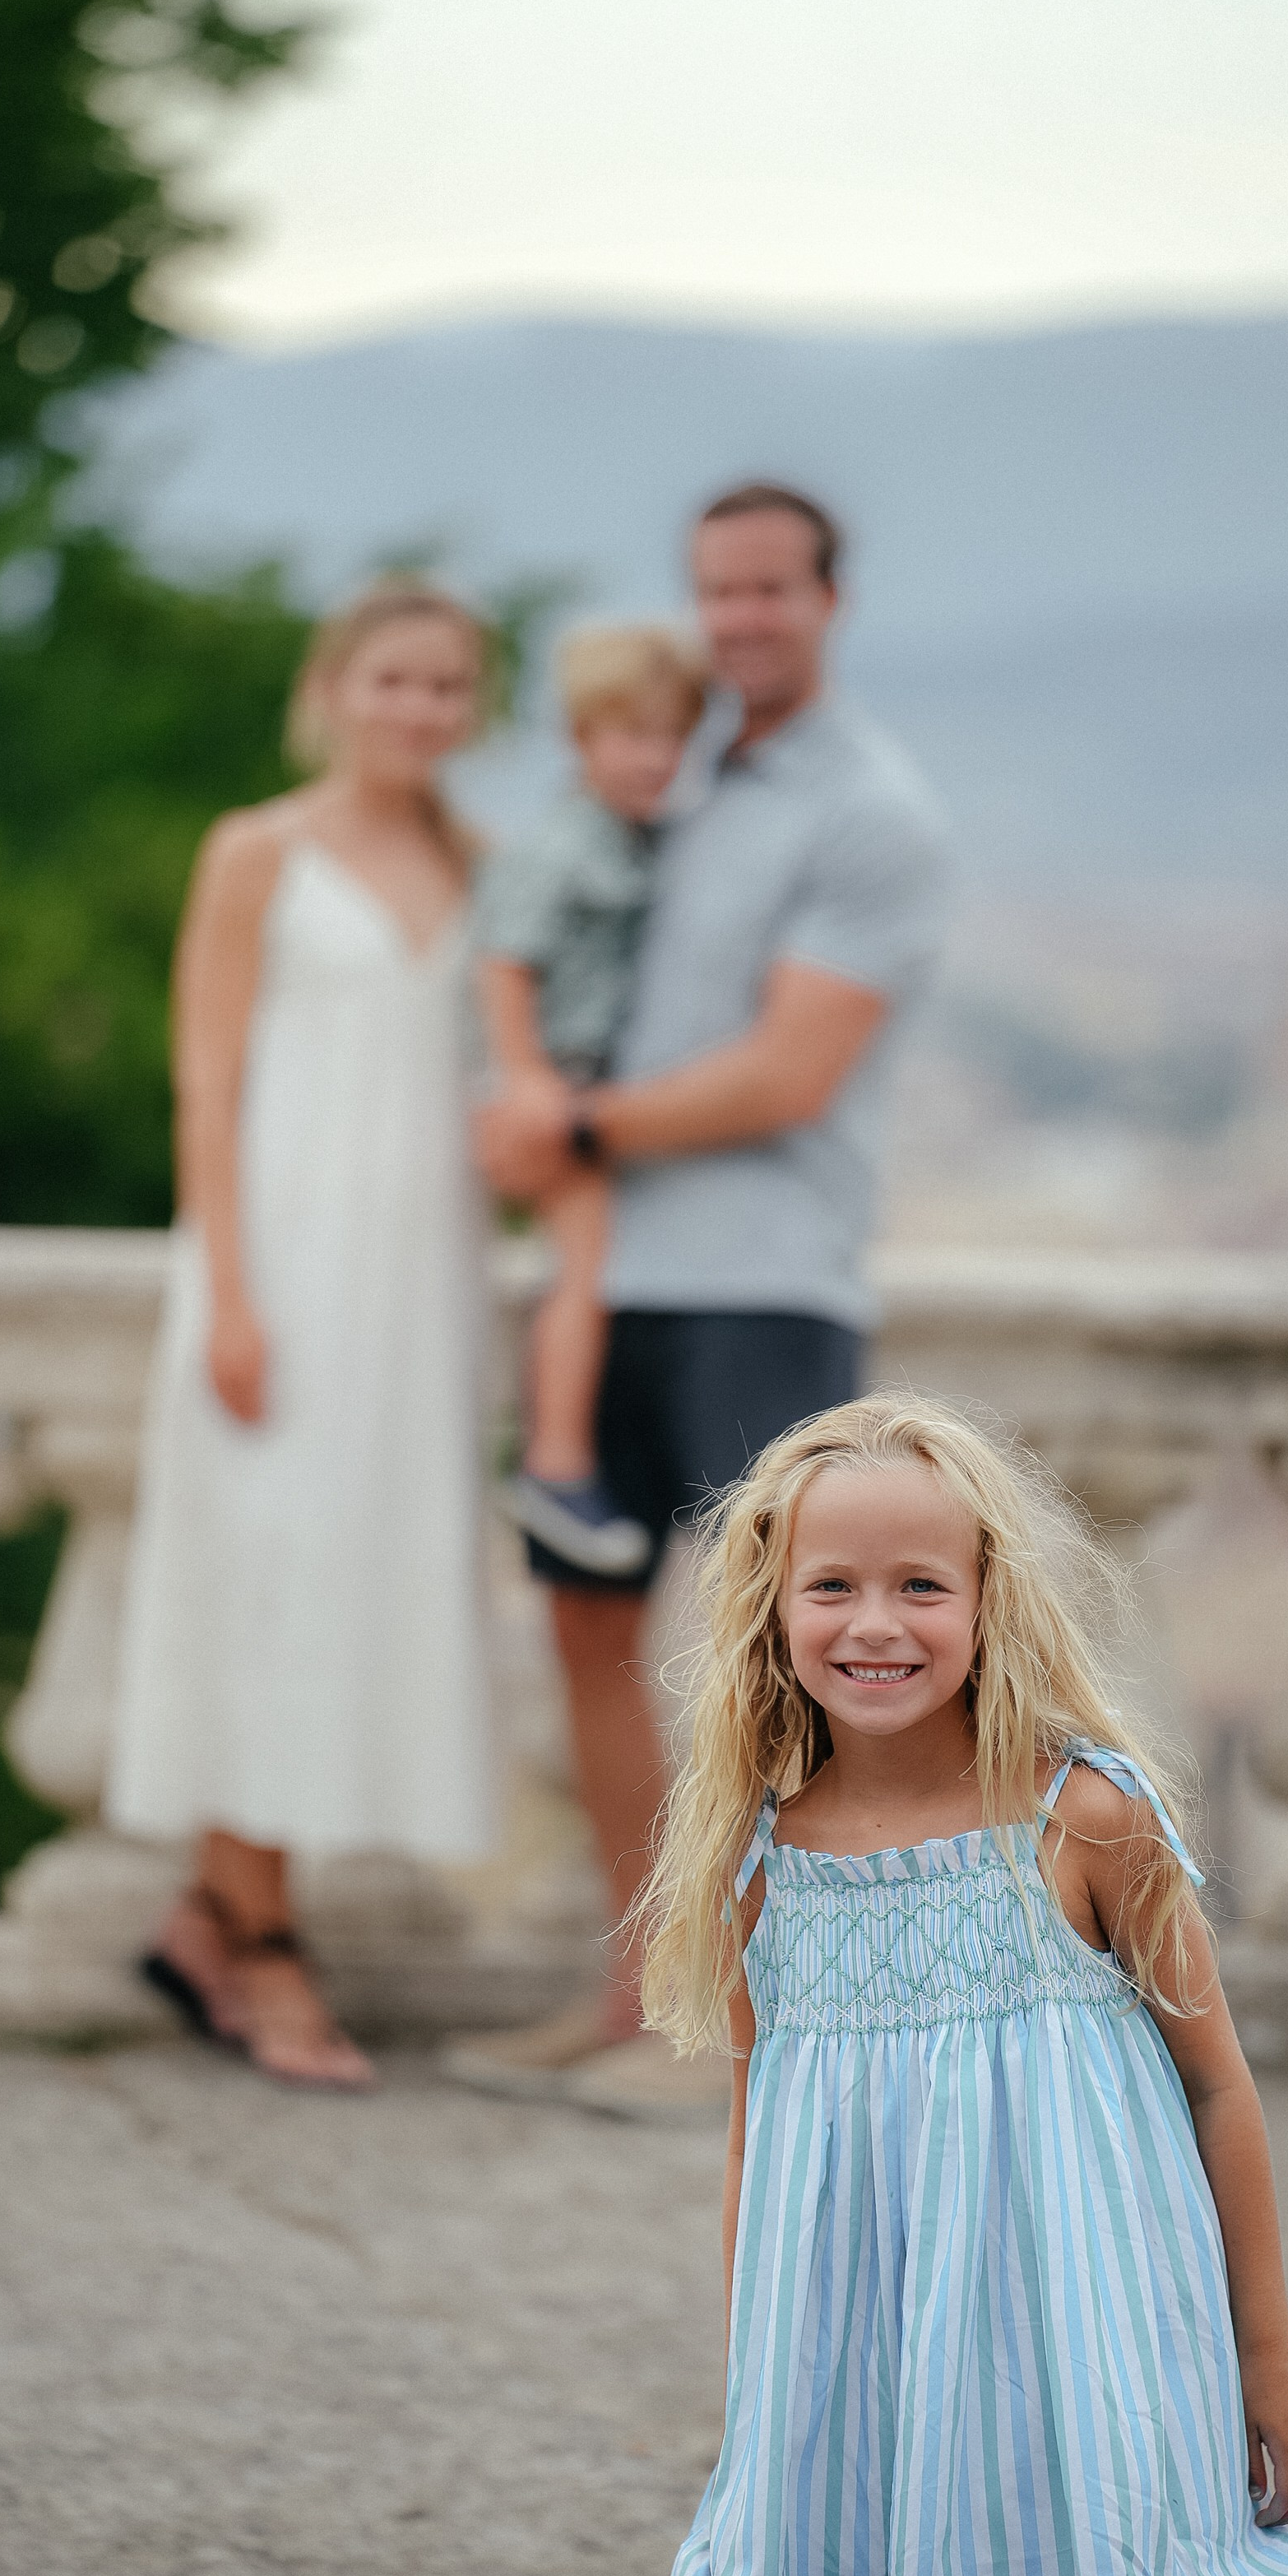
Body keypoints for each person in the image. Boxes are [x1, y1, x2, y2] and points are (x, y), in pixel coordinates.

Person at [641, 1395, 1288, 2576]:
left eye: (921, 1583)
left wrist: (1261, 2361)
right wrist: (766, 2396)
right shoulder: (762, 1869)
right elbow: (763, 2136)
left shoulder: (1083, 1820)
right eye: (832, 1586)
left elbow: (1216, 2086)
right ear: (772, 1610)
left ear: (989, 1598)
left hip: (1061, 2349)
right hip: (862, 2364)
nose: (875, 1623)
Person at [456, 483, 955, 2116]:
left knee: (800, 1659)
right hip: (609, 1283)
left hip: (763, 1282)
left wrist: (570, 1125)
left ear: (831, 595)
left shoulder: (871, 811)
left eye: (769, 590)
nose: (739, 617)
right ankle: (646, 1994)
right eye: (714, 591)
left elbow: (793, 1069)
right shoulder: (663, 778)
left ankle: (804, 2027)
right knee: (585, 1625)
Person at [109, 580, 498, 2090]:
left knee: (353, 1588)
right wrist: (232, 1291)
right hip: (279, 1271)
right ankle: (263, 1943)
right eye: (393, 680)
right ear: (332, 687)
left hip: (420, 1289)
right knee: (262, 1580)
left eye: (448, 687)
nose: (419, 710)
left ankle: (210, 1915)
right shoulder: (255, 850)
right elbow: (204, 1082)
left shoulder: (479, 861)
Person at [476, 624, 709, 1579]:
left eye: (670, 736)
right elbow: (504, 963)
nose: (654, 758)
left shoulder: (637, 837)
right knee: (584, 1268)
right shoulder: (559, 847)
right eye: (630, 735)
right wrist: (528, 1078)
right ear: (580, 737)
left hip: (589, 1080)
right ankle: (557, 1461)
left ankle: (558, 1458)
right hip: (558, 1081)